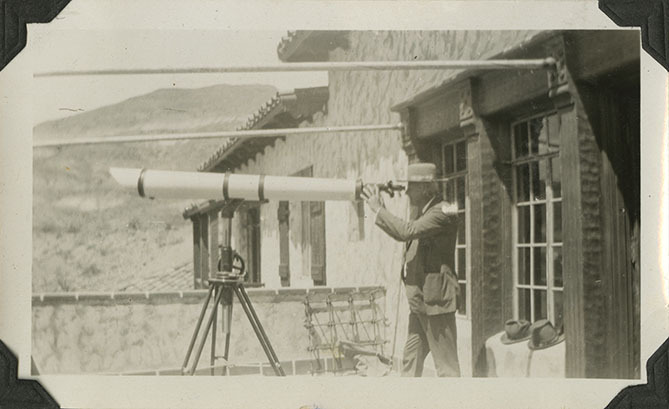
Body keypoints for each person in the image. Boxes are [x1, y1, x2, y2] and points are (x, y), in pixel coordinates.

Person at [361, 162, 461, 377]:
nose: (406, 192)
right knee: (410, 361)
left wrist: (378, 209)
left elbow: (407, 231)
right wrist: (383, 210)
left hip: (436, 302)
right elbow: (405, 230)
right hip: (421, 301)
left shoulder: (443, 211)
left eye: (411, 187)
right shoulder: (425, 211)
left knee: (447, 369)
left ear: (426, 188)